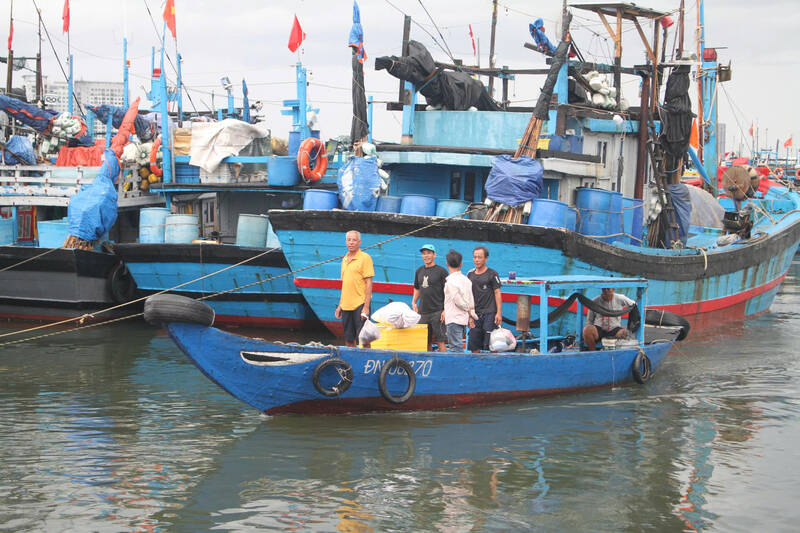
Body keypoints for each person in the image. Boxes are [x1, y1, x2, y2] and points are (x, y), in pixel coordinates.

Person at [335, 230, 374, 347]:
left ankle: (366, 362)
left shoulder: (365, 258)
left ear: (359, 242)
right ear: (346, 242)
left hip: (360, 304)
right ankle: (351, 364)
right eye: (349, 240)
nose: (351, 242)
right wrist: (340, 305)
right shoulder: (344, 259)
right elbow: (345, 284)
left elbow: (369, 283)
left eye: (354, 240)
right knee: (348, 339)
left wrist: (366, 307)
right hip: (346, 305)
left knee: (364, 339)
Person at [412, 244, 448, 352]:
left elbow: (448, 292)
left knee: (440, 341)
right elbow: (417, 288)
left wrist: (445, 310)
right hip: (423, 312)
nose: (426, 256)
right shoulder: (419, 271)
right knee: (424, 342)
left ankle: (443, 364)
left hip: (437, 312)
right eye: (424, 253)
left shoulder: (441, 271)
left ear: (434, 255)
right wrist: (414, 302)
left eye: (428, 253)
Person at [467, 246, 502, 352]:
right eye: (475, 257)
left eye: (480, 257)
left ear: (486, 258)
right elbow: (467, 296)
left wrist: (499, 313)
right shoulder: (470, 275)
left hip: (490, 314)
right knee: (474, 345)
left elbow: (497, 293)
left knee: (492, 344)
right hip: (475, 315)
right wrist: (469, 315)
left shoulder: (492, 274)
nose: (477, 260)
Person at [443, 250, 478, 352]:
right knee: (457, 345)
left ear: (447, 264)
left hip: (453, 319)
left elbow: (458, 301)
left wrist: (466, 308)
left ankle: (458, 367)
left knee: (455, 348)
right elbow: (471, 300)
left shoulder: (450, 282)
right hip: (463, 319)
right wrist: (471, 314)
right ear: (461, 264)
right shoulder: (467, 280)